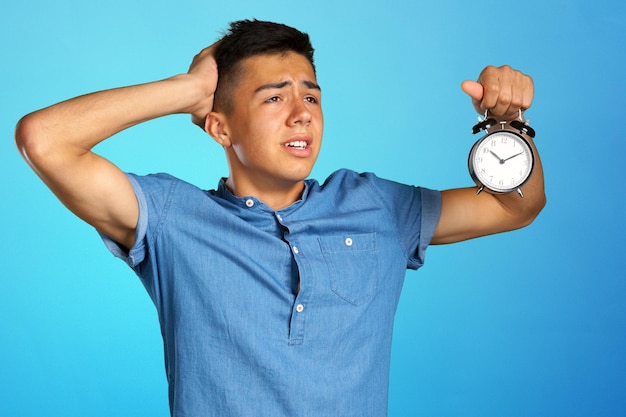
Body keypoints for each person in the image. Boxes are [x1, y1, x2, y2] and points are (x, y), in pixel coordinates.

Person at [15, 19, 545, 417]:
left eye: (310, 94)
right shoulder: (171, 217)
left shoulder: (377, 207)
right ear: (220, 129)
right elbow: (45, 140)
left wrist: (509, 124)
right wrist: (191, 90)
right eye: (274, 97)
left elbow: (514, 204)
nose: (302, 112)